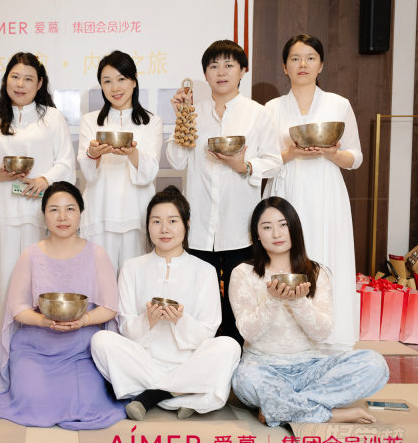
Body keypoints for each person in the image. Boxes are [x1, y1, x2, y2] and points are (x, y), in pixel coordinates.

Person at [229, 197, 388, 427]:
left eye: (283, 224)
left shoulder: (317, 272)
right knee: (243, 378)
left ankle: (283, 407)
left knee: (375, 364)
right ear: (257, 235)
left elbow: (321, 333)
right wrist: (274, 300)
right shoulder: (243, 273)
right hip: (263, 368)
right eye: (267, 227)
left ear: (295, 228)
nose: (277, 233)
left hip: (311, 369)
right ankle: (328, 414)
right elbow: (248, 333)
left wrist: (298, 302)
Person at [0, 182, 125, 430]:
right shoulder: (30, 254)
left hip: (82, 350)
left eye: (70, 209)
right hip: (35, 348)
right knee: (34, 401)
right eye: (54, 210)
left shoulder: (97, 254)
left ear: (80, 213)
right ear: (44, 215)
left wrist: (84, 320)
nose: (62, 217)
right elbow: (18, 307)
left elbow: (110, 307)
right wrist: (43, 321)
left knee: (88, 404)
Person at [166, 39, 282, 344]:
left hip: (238, 226)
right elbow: (177, 160)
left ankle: (234, 358)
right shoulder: (194, 113)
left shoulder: (258, 114)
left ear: (243, 71)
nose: (221, 72)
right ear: (205, 74)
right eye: (214, 66)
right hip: (200, 226)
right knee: (198, 302)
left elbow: (274, 162)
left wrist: (244, 165)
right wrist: (180, 118)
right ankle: (198, 356)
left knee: (237, 302)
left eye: (229, 65)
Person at [91, 186, 240, 420]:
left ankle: (151, 395)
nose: (164, 229)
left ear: (186, 224)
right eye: (156, 221)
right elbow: (125, 327)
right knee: (101, 341)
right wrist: (147, 320)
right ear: (148, 225)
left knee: (229, 347)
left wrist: (181, 320)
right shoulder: (131, 268)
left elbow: (208, 330)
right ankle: (183, 393)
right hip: (144, 362)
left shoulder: (204, 271)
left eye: (172, 221)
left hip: (190, 361)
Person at [263, 34, 363, 349]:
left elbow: (355, 158)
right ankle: (287, 337)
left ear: (321, 65)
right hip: (287, 189)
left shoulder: (338, 104)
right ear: (285, 66)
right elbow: (263, 161)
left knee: (327, 252)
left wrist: (331, 153)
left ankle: (332, 335)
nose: (302, 64)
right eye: (295, 58)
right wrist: (290, 154)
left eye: (310, 58)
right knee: (288, 255)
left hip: (325, 189)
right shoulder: (272, 108)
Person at [0, 52, 76, 352]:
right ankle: (2, 353)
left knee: (39, 283)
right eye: (15, 77)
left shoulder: (52, 117)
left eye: (28, 79)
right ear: (6, 80)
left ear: (39, 83)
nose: (20, 84)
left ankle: (41, 352)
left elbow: (66, 162)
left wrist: (45, 179)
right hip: (5, 212)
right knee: (6, 282)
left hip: (40, 215)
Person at [78, 51, 163, 271]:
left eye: (121, 79)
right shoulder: (90, 121)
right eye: (107, 81)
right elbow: (88, 174)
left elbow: (149, 173)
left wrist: (132, 153)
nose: (115, 88)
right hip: (99, 214)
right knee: (98, 282)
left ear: (134, 81)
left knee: (133, 283)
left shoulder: (152, 122)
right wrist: (93, 154)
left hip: (136, 216)